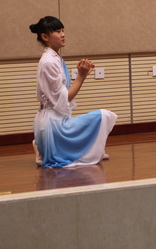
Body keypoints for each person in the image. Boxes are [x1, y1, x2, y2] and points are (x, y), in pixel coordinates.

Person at [29, 16, 117, 167]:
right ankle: (45, 145)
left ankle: (43, 145)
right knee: (104, 116)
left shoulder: (55, 58)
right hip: (52, 124)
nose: (63, 35)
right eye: (58, 31)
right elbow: (64, 99)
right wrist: (81, 76)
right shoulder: (49, 62)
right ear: (45, 37)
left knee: (101, 117)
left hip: (53, 120)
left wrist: (81, 75)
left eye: (63, 31)